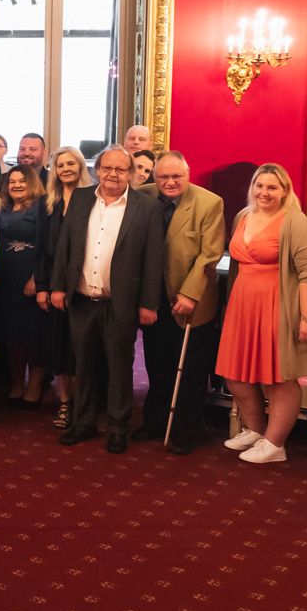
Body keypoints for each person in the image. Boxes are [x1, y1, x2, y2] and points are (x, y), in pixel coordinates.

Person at [49, 147, 163, 453]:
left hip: (120, 303)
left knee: (119, 367)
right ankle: (83, 423)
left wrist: (149, 303)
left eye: (120, 169)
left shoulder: (146, 207)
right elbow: (65, 246)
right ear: (97, 169)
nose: (113, 174)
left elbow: (153, 260)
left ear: (132, 174)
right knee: (83, 365)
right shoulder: (81, 199)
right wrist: (58, 286)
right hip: (82, 299)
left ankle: (117, 427)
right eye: (107, 168)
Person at [218, 164, 307, 464]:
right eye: (259, 185)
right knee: (235, 375)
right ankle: (256, 431)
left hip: (279, 306)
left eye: (272, 187)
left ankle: (276, 444)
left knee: (279, 377)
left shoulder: (294, 222)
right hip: (242, 305)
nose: (264, 192)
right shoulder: (242, 216)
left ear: (285, 191)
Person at [133, 151, 225, 453]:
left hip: (191, 297)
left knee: (190, 368)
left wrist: (189, 293)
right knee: (157, 364)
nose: (170, 182)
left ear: (188, 173)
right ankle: (154, 422)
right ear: (153, 176)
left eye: (176, 176)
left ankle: (186, 430)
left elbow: (209, 255)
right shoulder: (142, 196)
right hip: (152, 297)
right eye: (163, 177)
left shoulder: (209, 203)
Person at [36, 146, 92, 430]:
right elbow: (41, 249)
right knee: (60, 347)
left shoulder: (94, 200)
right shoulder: (48, 203)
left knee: (82, 348)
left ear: (81, 166)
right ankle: (65, 403)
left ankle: (86, 404)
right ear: (54, 171)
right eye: (60, 165)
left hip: (84, 286)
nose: (66, 169)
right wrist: (43, 286)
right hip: (55, 286)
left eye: (71, 163)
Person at [0, 164, 47, 410]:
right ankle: (17, 385)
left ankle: (34, 387)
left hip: (30, 276)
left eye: (22, 180)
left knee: (34, 335)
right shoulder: (2, 208)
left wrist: (36, 278)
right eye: (12, 181)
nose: (16, 185)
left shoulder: (42, 207)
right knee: (12, 335)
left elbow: (47, 246)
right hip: (5, 278)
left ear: (32, 182)